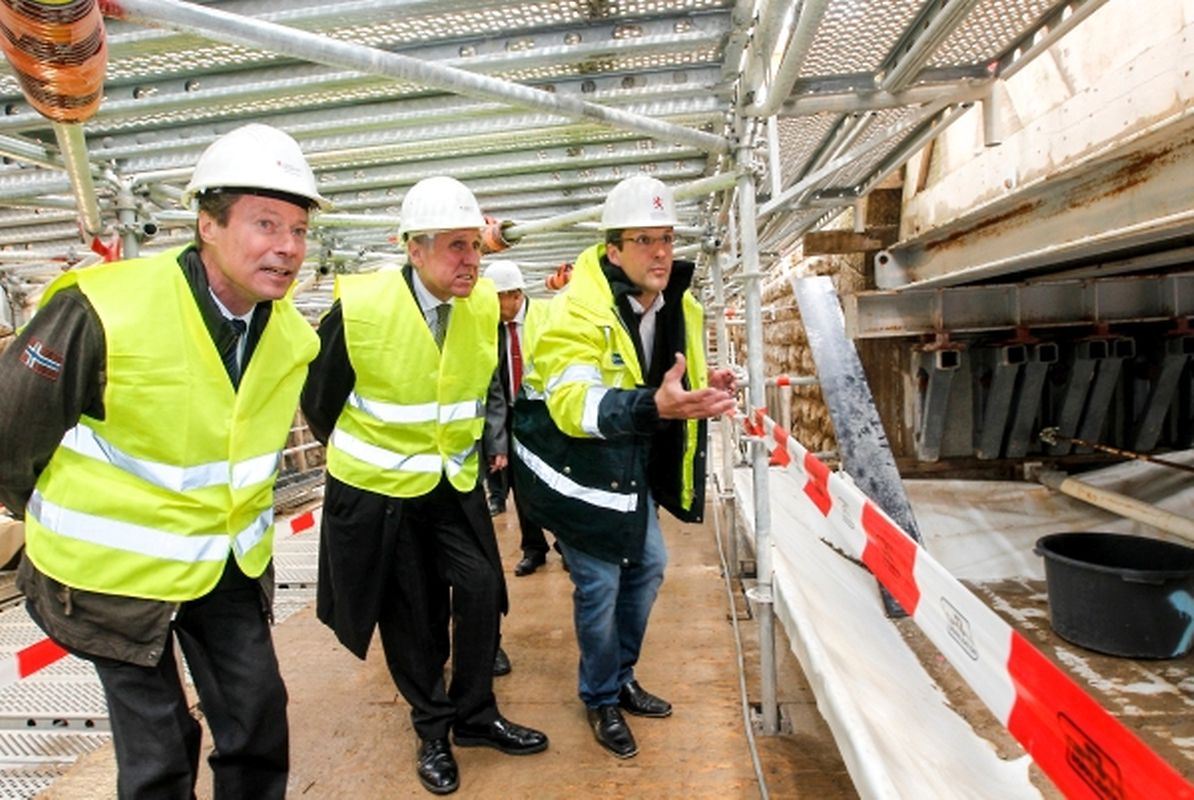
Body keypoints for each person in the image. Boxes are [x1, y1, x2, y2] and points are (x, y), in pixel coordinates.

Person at [0, 122, 327, 798]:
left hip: (224, 565)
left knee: (258, 721)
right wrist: (45, 514)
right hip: (111, 573)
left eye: (298, 230)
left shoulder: (292, 336)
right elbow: (11, 432)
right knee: (160, 753)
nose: (288, 248)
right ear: (207, 224)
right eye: (266, 224)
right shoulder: (104, 307)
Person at [300, 175, 548, 796]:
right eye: (455, 247)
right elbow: (321, 400)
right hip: (381, 489)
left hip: (451, 483)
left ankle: (475, 713)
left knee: (482, 586)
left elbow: (477, 386)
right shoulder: (359, 307)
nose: (470, 260)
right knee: (409, 613)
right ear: (415, 249)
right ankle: (433, 729)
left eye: (474, 245)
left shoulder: (483, 303)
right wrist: (372, 456)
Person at [512, 174, 736, 759]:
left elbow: (672, 374)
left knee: (648, 569)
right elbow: (572, 404)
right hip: (582, 477)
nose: (661, 251)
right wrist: (649, 404)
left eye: (666, 237)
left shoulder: (679, 303)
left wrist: (706, 385)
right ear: (613, 251)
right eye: (643, 240)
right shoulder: (575, 311)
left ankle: (621, 676)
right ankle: (600, 698)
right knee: (599, 585)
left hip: (631, 475)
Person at [479, 260, 560, 576]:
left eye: (497, 299)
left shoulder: (545, 316)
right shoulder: (491, 328)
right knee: (519, 485)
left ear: (514, 295)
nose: (494, 307)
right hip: (512, 414)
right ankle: (533, 548)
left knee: (555, 479)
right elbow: (492, 386)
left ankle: (566, 543)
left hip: (545, 411)